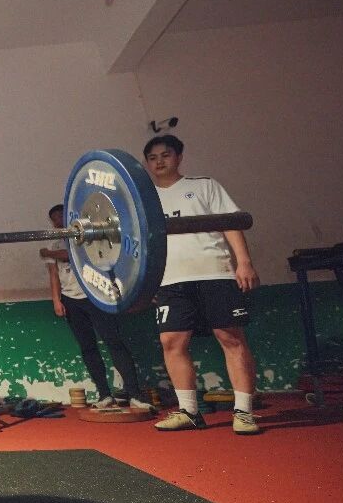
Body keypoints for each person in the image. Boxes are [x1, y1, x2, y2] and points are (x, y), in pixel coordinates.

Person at [142, 135, 261, 435]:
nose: (159, 161)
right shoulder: (144, 201)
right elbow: (141, 246)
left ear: (179, 157)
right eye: (153, 157)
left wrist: (243, 262)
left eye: (165, 155)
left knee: (231, 338)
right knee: (172, 342)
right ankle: (189, 411)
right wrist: (147, 282)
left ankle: (244, 412)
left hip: (214, 273)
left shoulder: (204, 186)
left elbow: (231, 223)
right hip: (170, 280)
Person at [40, 204, 152, 411]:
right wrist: (56, 300)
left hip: (97, 296)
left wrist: (48, 253)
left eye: (61, 216)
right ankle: (104, 395)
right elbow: (53, 274)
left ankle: (135, 395)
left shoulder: (88, 235)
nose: (58, 222)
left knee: (114, 343)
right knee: (88, 347)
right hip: (70, 299)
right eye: (54, 219)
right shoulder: (52, 242)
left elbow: (72, 254)